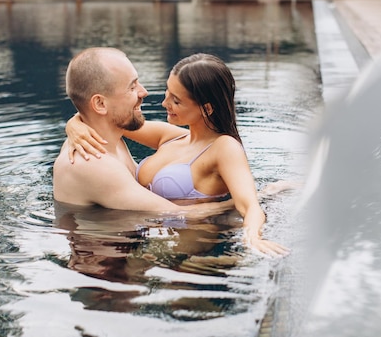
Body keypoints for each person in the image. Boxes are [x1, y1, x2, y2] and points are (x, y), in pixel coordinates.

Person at [65, 53, 290, 257]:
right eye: (167, 92)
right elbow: (110, 118)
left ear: (207, 108)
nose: (164, 103)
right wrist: (73, 124)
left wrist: (253, 237)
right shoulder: (170, 136)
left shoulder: (224, 148)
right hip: (150, 239)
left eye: (176, 100)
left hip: (191, 251)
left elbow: (250, 206)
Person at [53, 47, 233, 218]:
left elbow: (88, 110)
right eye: (132, 87)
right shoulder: (93, 164)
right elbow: (176, 213)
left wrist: (74, 122)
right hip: (112, 245)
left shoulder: (109, 137)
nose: (144, 92)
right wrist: (245, 202)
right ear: (100, 104)